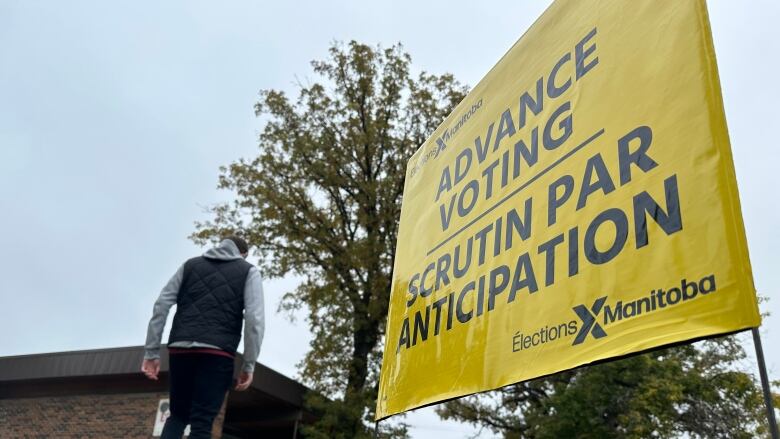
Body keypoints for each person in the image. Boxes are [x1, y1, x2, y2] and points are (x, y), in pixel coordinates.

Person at [141, 236, 265, 439]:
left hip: (181, 349)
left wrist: (151, 352)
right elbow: (255, 320)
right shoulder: (249, 271)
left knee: (178, 415)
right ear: (243, 254)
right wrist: (248, 364)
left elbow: (161, 304)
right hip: (218, 353)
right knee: (202, 422)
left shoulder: (190, 266)